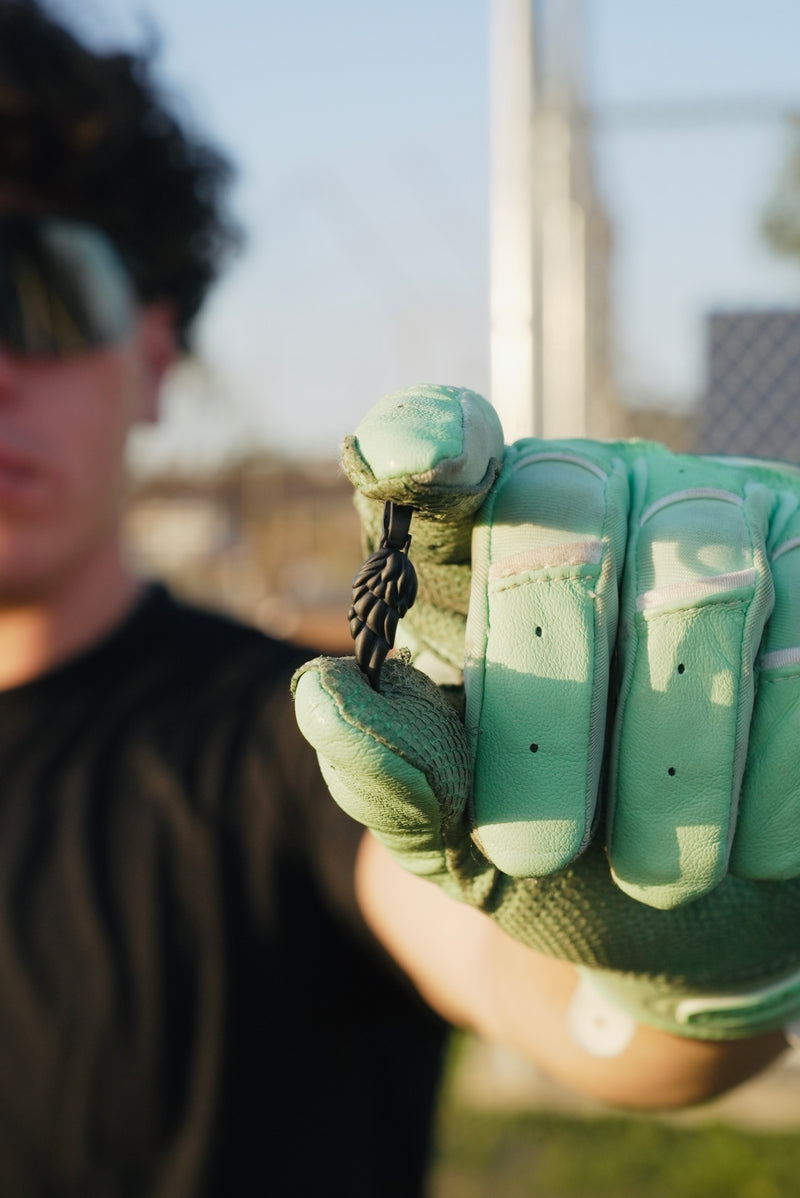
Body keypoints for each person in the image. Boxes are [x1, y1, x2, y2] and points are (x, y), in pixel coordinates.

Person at [0, 2, 793, 1196]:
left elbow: (541, 997)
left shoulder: (291, 746)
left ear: (154, 352)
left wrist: (692, 986)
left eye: (42, 289)